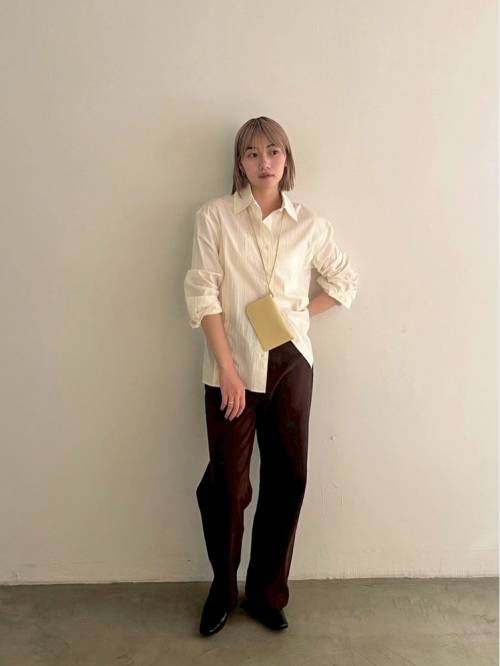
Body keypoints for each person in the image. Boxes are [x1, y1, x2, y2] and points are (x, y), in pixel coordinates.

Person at [183, 116, 359, 636]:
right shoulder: (214, 217)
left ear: (287, 158)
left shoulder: (310, 225)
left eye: (273, 151)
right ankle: (223, 588)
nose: (264, 162)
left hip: (290, 363)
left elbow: (344, 281)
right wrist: (228, 370)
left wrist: (299, 316)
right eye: (253, 153)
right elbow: (203, 293)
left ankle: (265, 594)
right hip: (231, 363)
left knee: (288, 479)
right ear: (240, 162)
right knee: (228, 485)